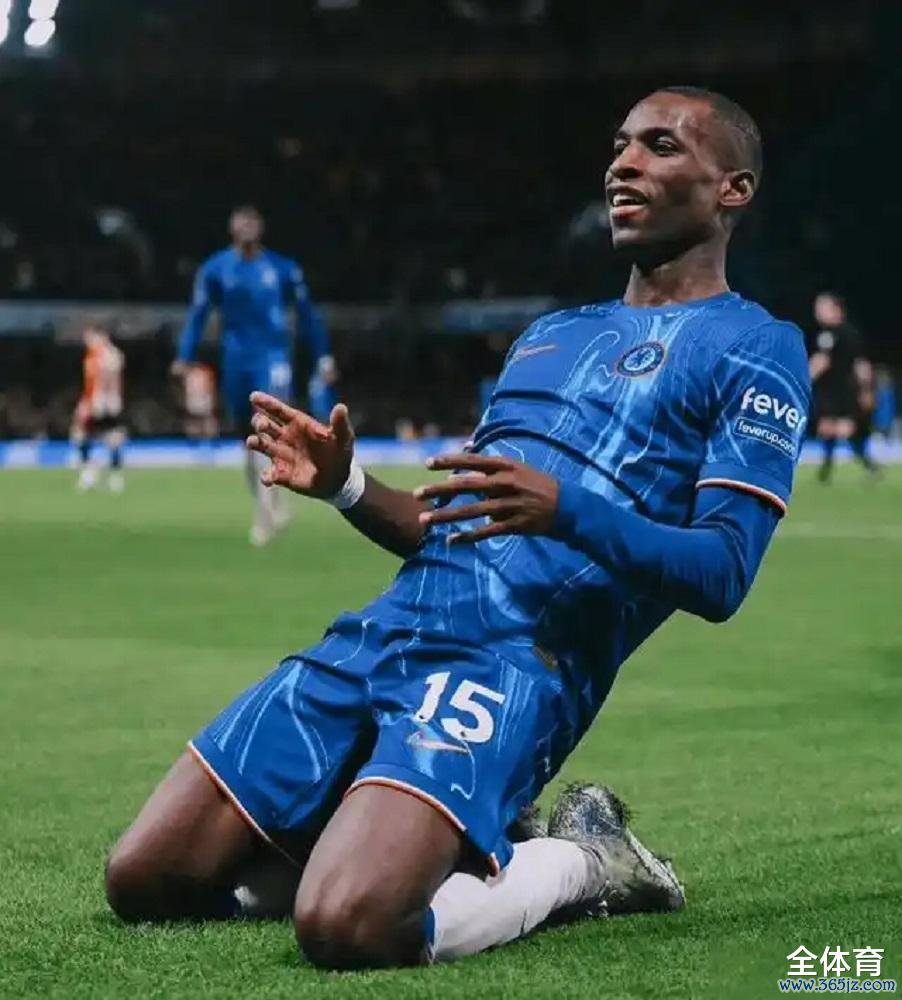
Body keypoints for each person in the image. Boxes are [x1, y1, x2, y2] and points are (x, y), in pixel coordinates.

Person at [105, 86, 811, 969]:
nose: (623, 165)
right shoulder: (552, 335)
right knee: (144, 881)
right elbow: (451, 524)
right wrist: (347, 486)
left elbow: (724, 571)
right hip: (389, 630)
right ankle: (402, 838)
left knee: (348, 928)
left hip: (513, 665)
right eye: (620, 145)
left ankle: (585, 860)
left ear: (732, 188)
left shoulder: (756, 347)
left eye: (660, 147)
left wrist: (565, 509)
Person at [172, 206, 337, 545]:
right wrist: (184, 356)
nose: (247, 226)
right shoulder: (216, 269)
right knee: (247, 441)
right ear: (231, 228)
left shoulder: (282, 268)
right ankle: (271, 502)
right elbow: (198, 314)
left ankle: (265, 516)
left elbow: (308, 316)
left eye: (253, 221)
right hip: (235, 360)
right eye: (241, 221)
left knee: (267, 428)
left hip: (273, 358)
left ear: (261, 228)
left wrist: (323, 356)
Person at [809, 291, 878, 481]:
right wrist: (866, 389)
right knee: (828, 427)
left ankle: (865, 465)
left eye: (822, 307)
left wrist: (804, 379)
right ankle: (827, 469)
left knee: (840, 428)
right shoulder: (849, 333)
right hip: (837, 391)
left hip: (839, 392)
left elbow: (822, 361)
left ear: (835, 309)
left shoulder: (832, 335)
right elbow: (862, 364)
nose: (818, 312)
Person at [72, 324, 126, 493]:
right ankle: (111, 476)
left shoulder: (107, 354)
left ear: (101, 336)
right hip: (101, 400)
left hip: (101, 401)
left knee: (87, 434)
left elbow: (108, 379)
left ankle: (93, 473)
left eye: (90, 337)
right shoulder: (97, 354)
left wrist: (98, 400)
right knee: (106, 435)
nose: (86, 340)